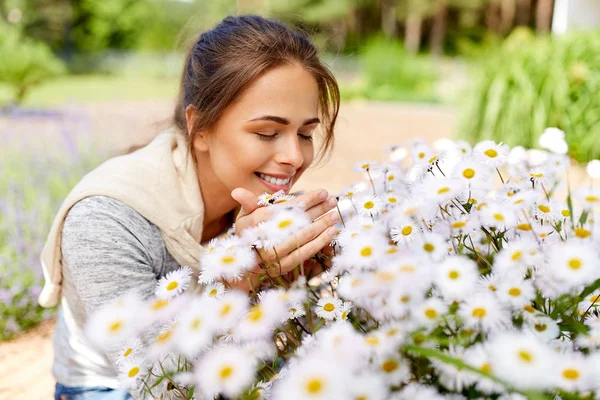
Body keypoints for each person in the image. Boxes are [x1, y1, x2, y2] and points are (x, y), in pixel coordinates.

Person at [38, 14, 340, 400]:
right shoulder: (106, 220)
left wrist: (297, 275)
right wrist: (241, 281)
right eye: (268, 132)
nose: (295, 156)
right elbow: (160, 385)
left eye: (305, 133)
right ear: (201, 128)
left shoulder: (259, 207)